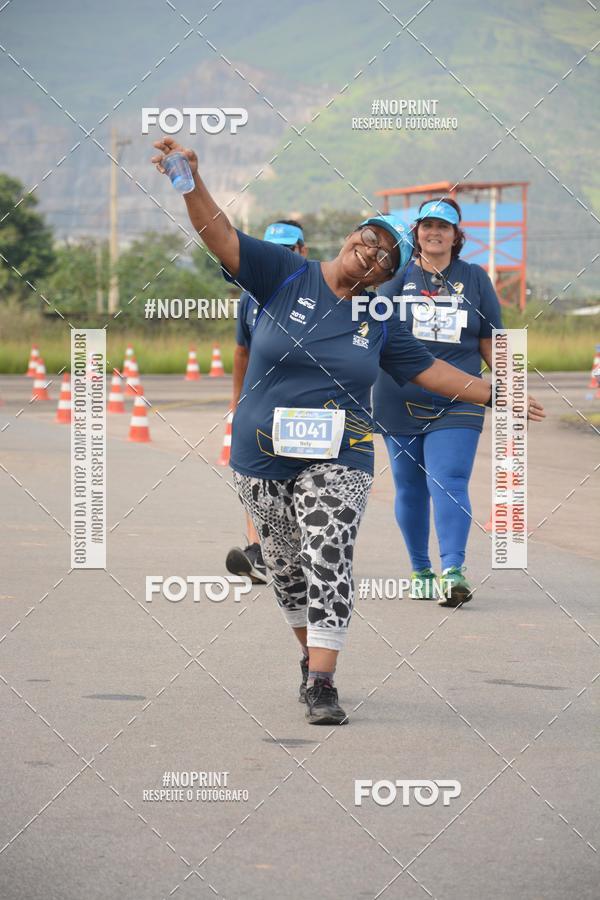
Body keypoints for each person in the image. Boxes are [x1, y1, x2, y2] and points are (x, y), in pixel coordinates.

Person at [151, 139, 544, 726]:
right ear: (351, 236)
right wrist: (192, 183)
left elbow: (431, 370)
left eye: (387, 258)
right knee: (285, 567)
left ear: (391, 273)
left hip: (342, 452)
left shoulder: (380, 316)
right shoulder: (286, 274)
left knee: (328, 552)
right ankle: (309, 659)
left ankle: (325, 681)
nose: (373, 257)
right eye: (369, 242)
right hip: (260, 453)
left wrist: (500, 391)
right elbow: (219, 235)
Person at [372, 198, 545, 606]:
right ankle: (421, 570)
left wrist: (510, 391)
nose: (435, 232)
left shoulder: (475, 278)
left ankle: (453, 571)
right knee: (410, 489)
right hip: (400, 398)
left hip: (461, 399)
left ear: (456, 235)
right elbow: (371, 335)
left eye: (444, 226)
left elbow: (493, 342)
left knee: (449, 481)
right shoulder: (395, 280)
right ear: (416, 233)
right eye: (427, 225)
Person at [226, 220, 309, 585]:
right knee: (253, 475)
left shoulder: (317, 291)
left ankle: (294, 549)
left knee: (296, 482)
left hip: (304, 405)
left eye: (288, 248)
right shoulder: (250, 297)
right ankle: (257, 548)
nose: (281, 255)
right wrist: (237, 402)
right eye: (274, 248)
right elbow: (241, 353)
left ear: (302, 251)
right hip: (259, 403)